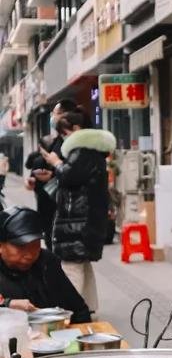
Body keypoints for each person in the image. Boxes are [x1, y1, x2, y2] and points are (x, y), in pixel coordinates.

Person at [39, 111, 116, 314]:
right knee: (81, 265)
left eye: (64, 134)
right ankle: (88, 306)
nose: (64, 139)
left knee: (71, 267)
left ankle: (71, 310)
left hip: (78, 222)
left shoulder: (83, 151)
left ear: (74, 130)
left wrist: (56, 163)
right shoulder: (93, 151)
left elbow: (69, 177)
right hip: (85, 220)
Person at [0, 206, 91, 322]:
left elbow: (79, 310)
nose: (29, 254)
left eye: (35, 245)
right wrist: (7, 304)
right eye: (21, 247)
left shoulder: (47, 263)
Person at [25, 98, 78, 249]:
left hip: (62, 210)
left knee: (64, 258)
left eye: (55, 114)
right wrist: (34, 180)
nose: (52, 118)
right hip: (48, 207)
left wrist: (53, 175)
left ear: (65, 116)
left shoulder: (73, 145)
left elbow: (73, 173)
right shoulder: (55, 142)